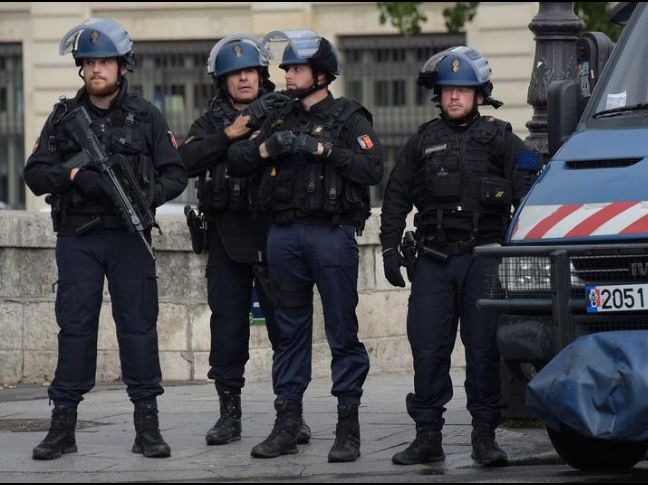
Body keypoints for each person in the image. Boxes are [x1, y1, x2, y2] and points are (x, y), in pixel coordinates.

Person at [24, 17, 187, 460]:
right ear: (81, 69)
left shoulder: (146, 117)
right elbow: (35, 174)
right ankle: (63, 426)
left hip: (128, 238)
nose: (97, 70)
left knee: (138, 328)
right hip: (78, 238)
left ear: (122, 68)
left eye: (106, 62)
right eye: (89, 62)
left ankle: (147, 426)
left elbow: (176, 173)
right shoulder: (63, 119)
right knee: (75, 328)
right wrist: (74, 174)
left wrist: (145, 195)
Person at [228, 29, 383, 463]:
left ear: (321, 74)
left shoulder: (350, 117)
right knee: (289, 333)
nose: (287, 75)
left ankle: (347, 427)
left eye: (295, 68)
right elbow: (237, 161)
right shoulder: (278, 116)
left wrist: (323, 149)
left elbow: (372, 168)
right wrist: (266, 150)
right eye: (288, 68)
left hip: (331, 236)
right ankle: (287, 423)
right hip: (283, 237)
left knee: (341, 332)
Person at [379, 46, 539, 466]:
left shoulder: (502, 136)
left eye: (462, 90)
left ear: (479, 94)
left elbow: (530, 185)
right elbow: (395, 196)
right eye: (448, 90)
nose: (454, 97)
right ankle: (427, 437)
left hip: (483, 261)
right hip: (432, 260)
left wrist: (519, 247)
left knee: (483, 350)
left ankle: (484, 438)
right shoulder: (423, 141)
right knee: (428, 349)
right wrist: (390, 249)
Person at [178, 34, 310, 447]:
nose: (244, 80)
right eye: (235, 74)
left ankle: (291, 415)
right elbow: (186, 160)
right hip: (225, 237)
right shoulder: (209, 122)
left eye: (250, 71)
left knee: (285, 329)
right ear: (222, 81)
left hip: (276, 235)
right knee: (228, 329)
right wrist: (232, 132)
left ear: (261, 75)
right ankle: (228, 415)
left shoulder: (284, 112)